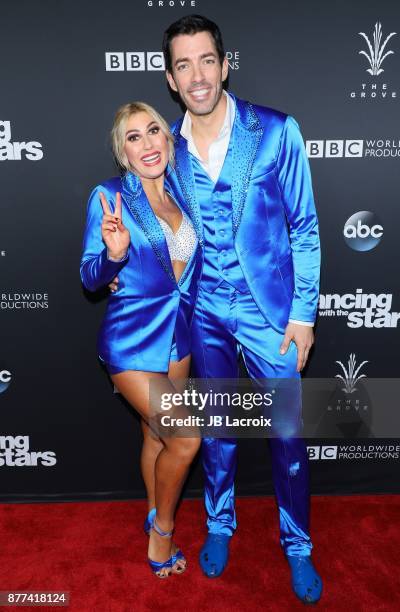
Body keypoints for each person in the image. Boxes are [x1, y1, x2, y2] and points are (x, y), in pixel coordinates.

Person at [111, 15, 322, 603]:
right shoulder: (164, 149)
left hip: (270, 315)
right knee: (220, 430)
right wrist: (112, 262)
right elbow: (137, 221)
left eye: (207, 60)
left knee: (286, 434)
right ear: (172, 80)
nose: (198, 75)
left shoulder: (278, 131)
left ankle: (298, 543)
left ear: (225, 65)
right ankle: (221, 523)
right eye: (184, 65)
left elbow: (303, 227)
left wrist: (302, 316)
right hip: (201, 311)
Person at [80, 101, 202, 578]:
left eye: (154, 130)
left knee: (156, 434)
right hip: (131, 341)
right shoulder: (109, 197)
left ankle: (154, 510)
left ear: (168, 139)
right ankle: (162, 533)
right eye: (134, 137)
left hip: (178, 337)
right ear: (122, 151)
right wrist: (113, 257)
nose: (147, 143)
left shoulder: (183, 194)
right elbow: (90, 278)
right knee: (187, 439)